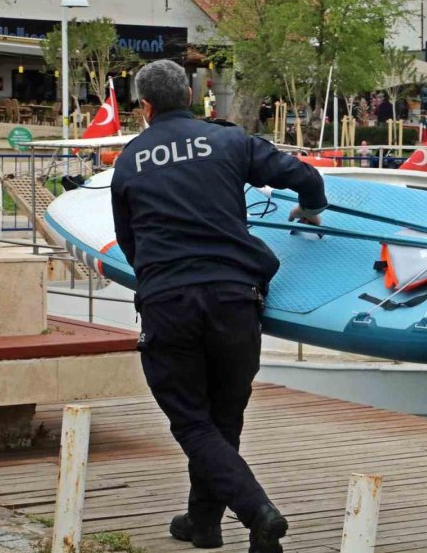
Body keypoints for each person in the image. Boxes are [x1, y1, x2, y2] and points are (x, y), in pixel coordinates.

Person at [111, 59, 327, 552]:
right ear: (191, 93)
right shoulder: (229, 141)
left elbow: (132, 248)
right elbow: (305, 177)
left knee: (192, 421)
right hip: (235, 297)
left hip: (170, 302)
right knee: (223, 418)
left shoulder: (129, 161)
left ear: (144, 107)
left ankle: (258, 513)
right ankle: (203, 523)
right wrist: (311, 209)